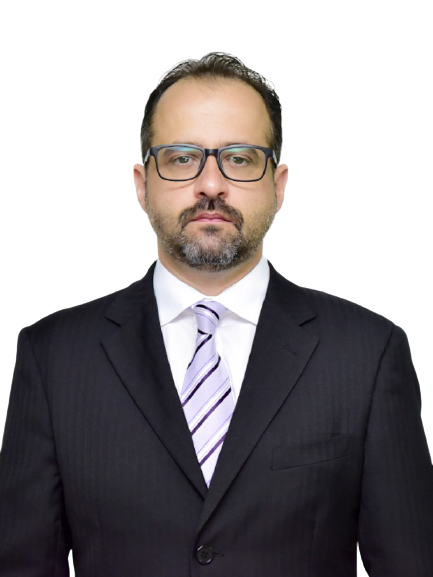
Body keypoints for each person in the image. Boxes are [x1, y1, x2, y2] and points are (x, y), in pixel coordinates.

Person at [0, 52, 432, 577]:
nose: (210, 185)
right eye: (182, 158)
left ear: (279, 185)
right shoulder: (52, 357)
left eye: (240, 158)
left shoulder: (369, 353)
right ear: (141, 184)